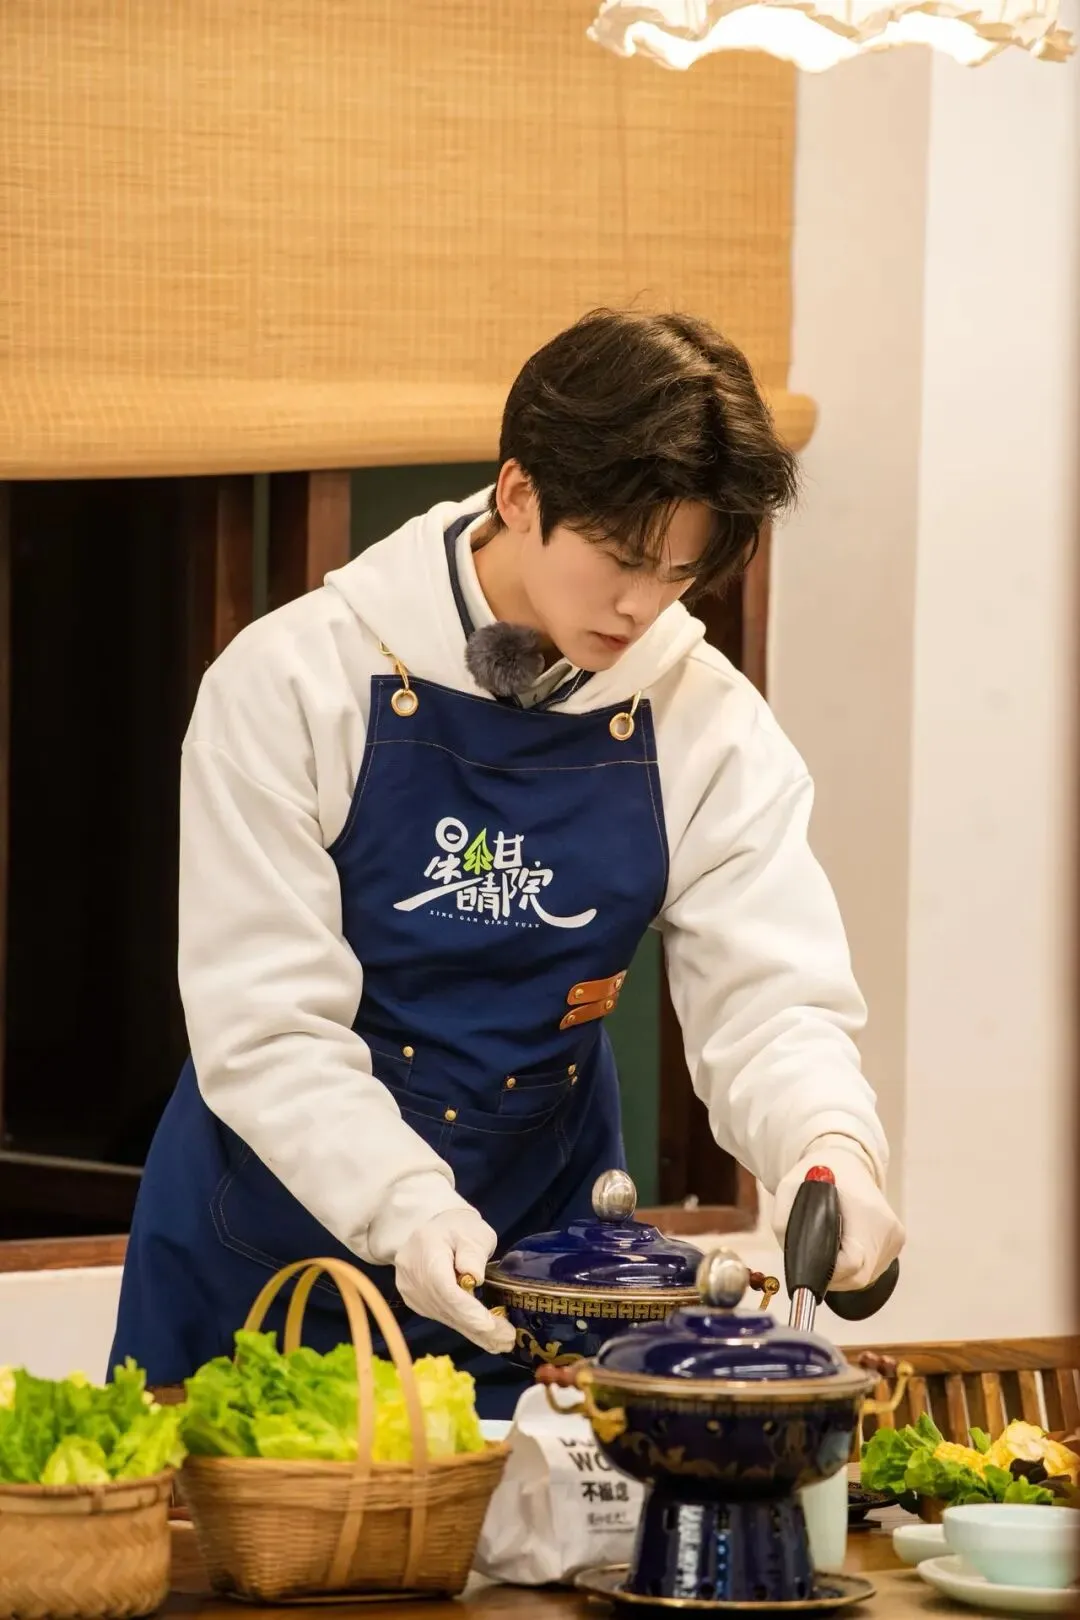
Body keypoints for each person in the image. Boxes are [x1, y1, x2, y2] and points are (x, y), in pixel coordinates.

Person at [110, 309, 904, 1416]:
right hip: (266, 1252)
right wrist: (409, 1206)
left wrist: (830, 1147)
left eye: (679, 573)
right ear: (521, 492)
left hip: (546, 1268)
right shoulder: (292, 682)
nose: (642, 606)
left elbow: (770, 1003)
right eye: (622, 560)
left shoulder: (705, 721)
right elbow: (268, 1025)